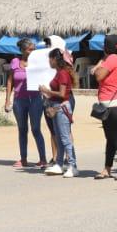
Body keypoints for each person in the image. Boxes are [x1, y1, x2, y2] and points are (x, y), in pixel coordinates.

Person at [91, 35, 117, 180]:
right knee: (111, 138)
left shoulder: (112, 59)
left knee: (115, 138)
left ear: (106, 47)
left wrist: (100, 64)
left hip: (112, 104)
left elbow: (98, 76)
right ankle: (107, 168)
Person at [4, 38, 48, 170]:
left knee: (36, 129)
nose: (33, 51)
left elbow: (45, 79)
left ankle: (43, 159)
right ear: (22, 50)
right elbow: (10, 81)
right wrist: (7, 100)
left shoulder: (38, 63)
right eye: (30, 49)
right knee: (22, 129)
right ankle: (23, 159)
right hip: (19, 100)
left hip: (35, 99)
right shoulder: (15, 62)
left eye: (34, 49)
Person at [41, 48, 78, 177]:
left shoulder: (62, 73)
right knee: (59, 137)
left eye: (50, 59)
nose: (49, 62)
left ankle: (72, 166)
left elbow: (62, 94)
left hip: (62, 108)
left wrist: (47, 91)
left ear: (55, 59)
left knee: (65, 138)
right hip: (56, 107)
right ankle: (59, 164)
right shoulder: (59, 73)